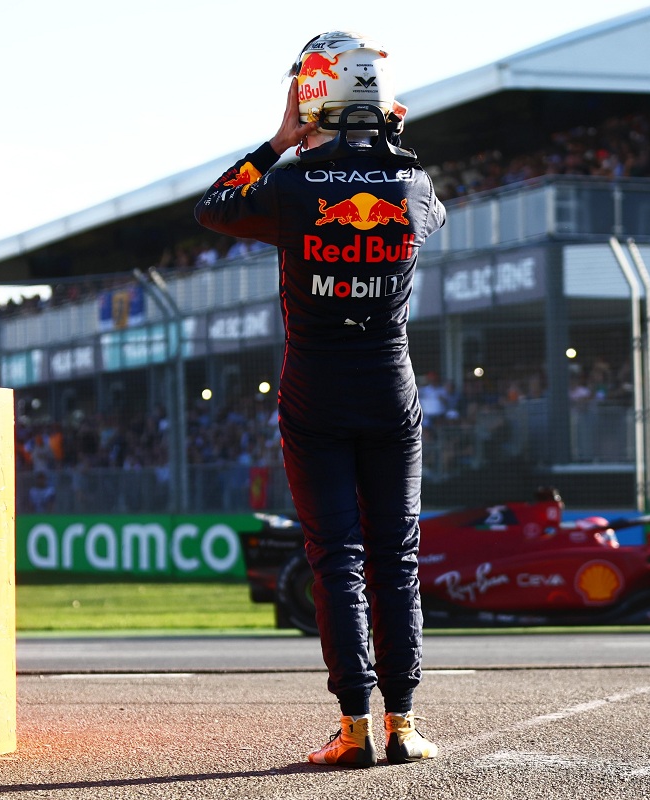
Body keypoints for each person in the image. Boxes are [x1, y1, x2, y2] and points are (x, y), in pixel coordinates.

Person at [195, 31, 445, 768]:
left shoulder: (289, 188)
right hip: (389, 386)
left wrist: (280, 141)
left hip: (314, 389)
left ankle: (354, 728)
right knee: (396, 558)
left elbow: (214, 207)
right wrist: (387, 139)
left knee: (336, 559)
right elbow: (431, 209)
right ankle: (404, 724)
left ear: (310, 96)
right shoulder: (412, 184)